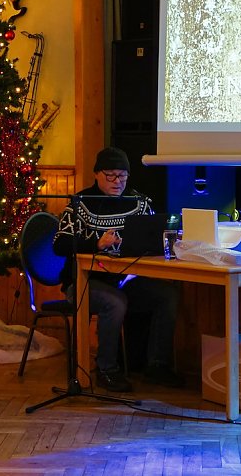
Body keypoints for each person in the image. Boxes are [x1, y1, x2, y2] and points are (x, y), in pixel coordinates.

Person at [52, 146, 182, 392]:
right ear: (97, 175)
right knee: (115, 302)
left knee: (167, 295)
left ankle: (157, 365)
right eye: (110, 175)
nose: (117, 181)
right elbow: (60, 245)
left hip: (125, 279)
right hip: (82, 283)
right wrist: (96, 243)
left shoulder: (139, 203)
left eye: (122, 176)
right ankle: (107, 369)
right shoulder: (80, 204)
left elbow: (154, 236)